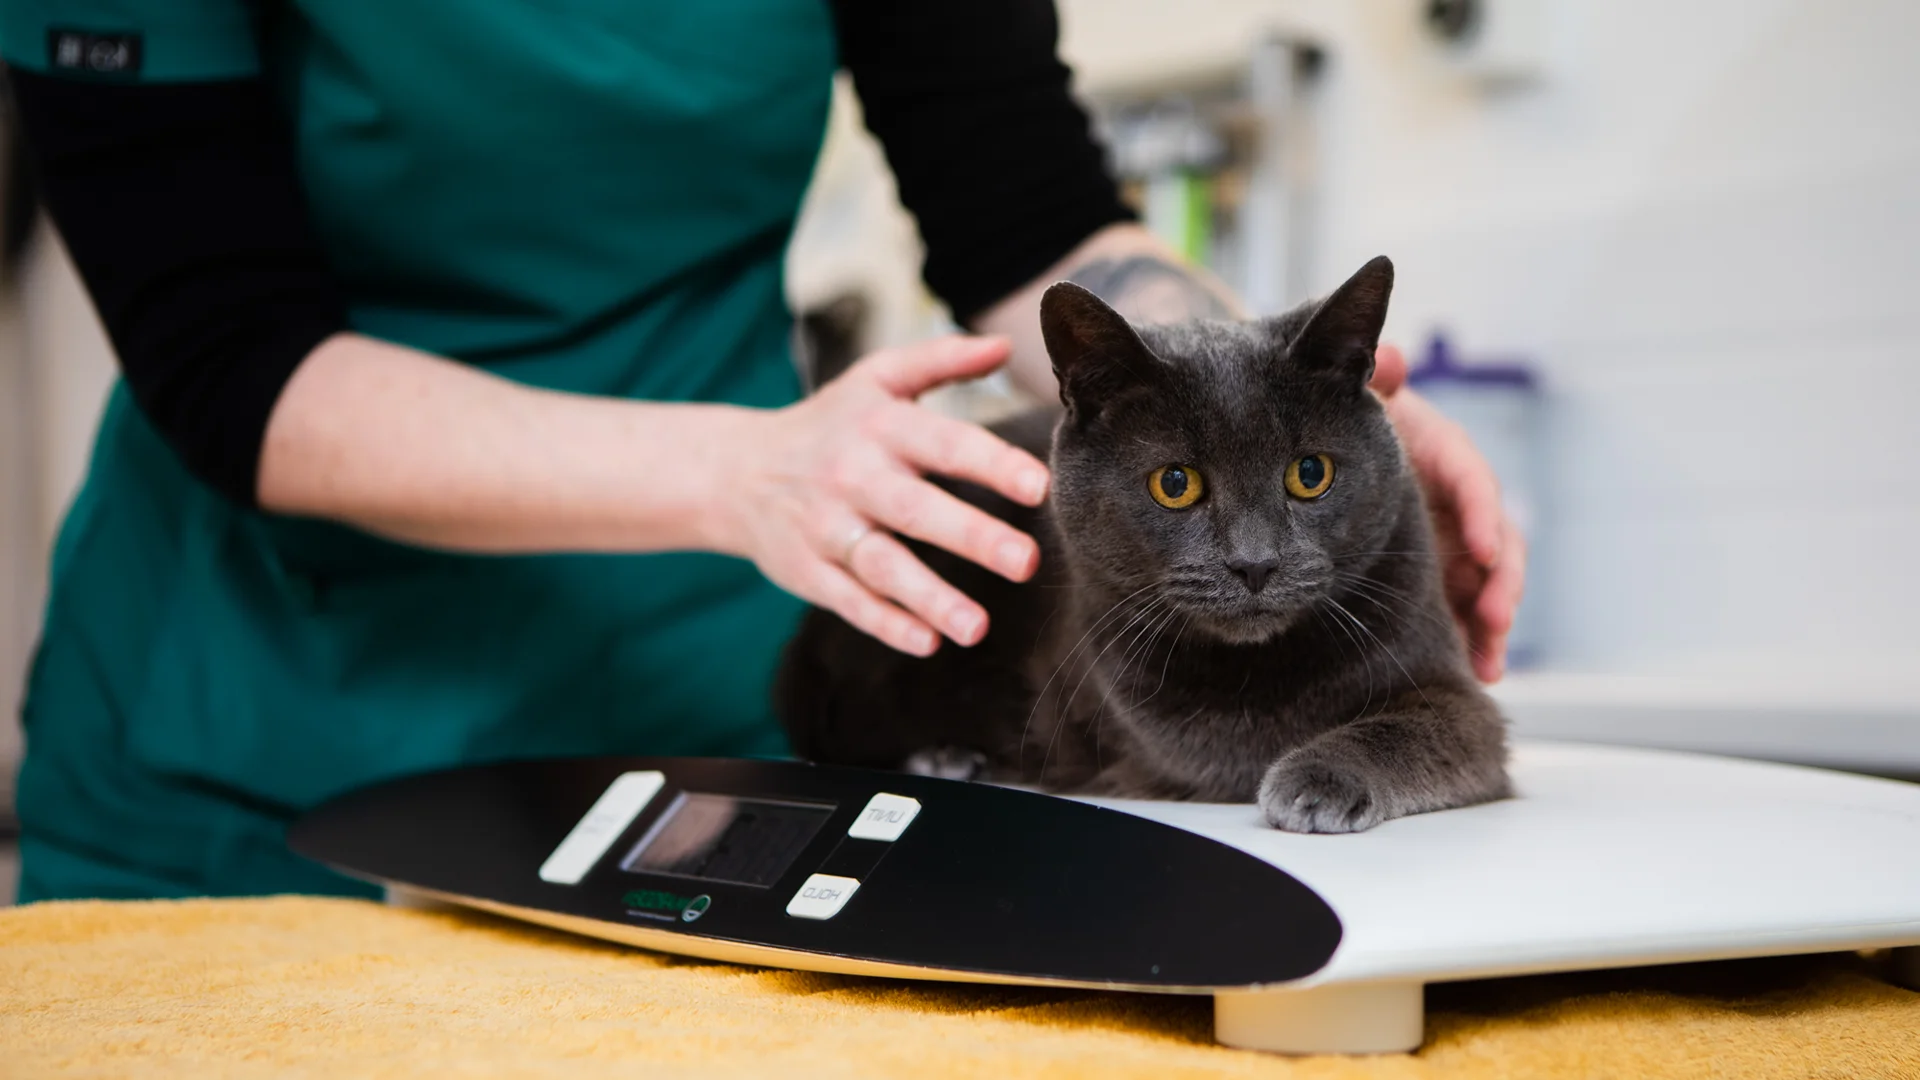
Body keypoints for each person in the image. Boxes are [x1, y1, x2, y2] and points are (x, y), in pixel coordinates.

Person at [3, 0, 1524, 902]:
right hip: (256, 715)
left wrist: (1311, 397)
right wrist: (734, 474)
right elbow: (229, 358)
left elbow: (1030, 214)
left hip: (700, 714)